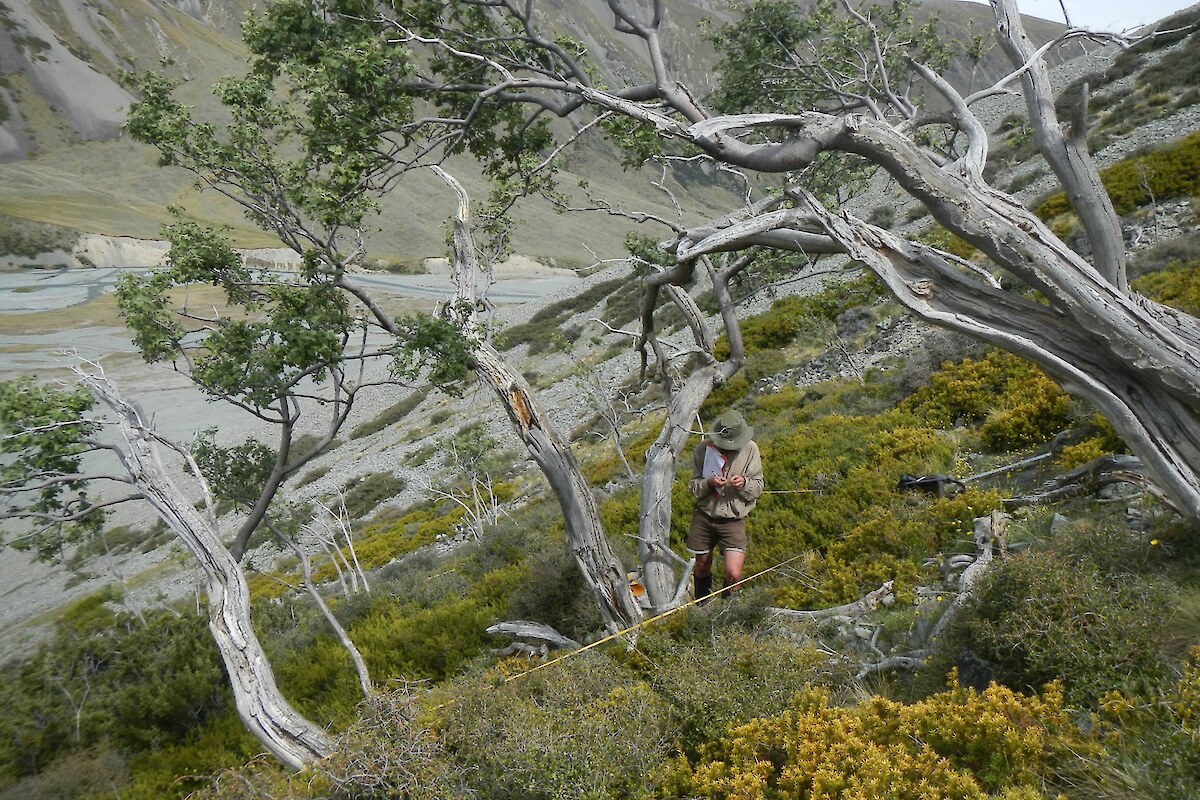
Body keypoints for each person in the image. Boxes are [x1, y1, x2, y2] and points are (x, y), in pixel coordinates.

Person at [687, 409, 764, 603]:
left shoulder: (751, 450)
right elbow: (694, 487)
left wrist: (744, 484)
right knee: (702, 564)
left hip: (733, 518)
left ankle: (727, 609)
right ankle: (702, 604)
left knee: (733, 573)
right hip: (704, 515)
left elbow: (758, 486)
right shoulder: (703, 449)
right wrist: (709, 483)